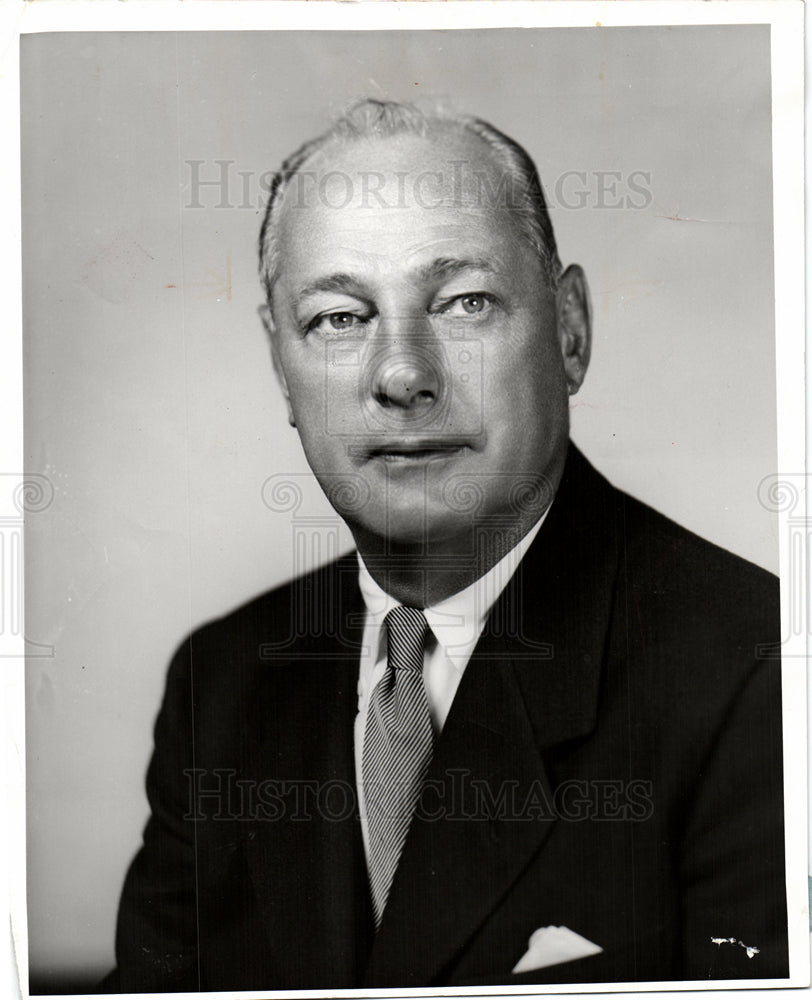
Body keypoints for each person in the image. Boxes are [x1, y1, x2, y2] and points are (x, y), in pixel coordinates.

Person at [105, 100, 788, 991]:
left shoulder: (758, 675)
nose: (402, 375)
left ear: (571, 330)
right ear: (282, 367)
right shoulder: (224, 682)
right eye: (341, 318)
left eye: (464, 303)